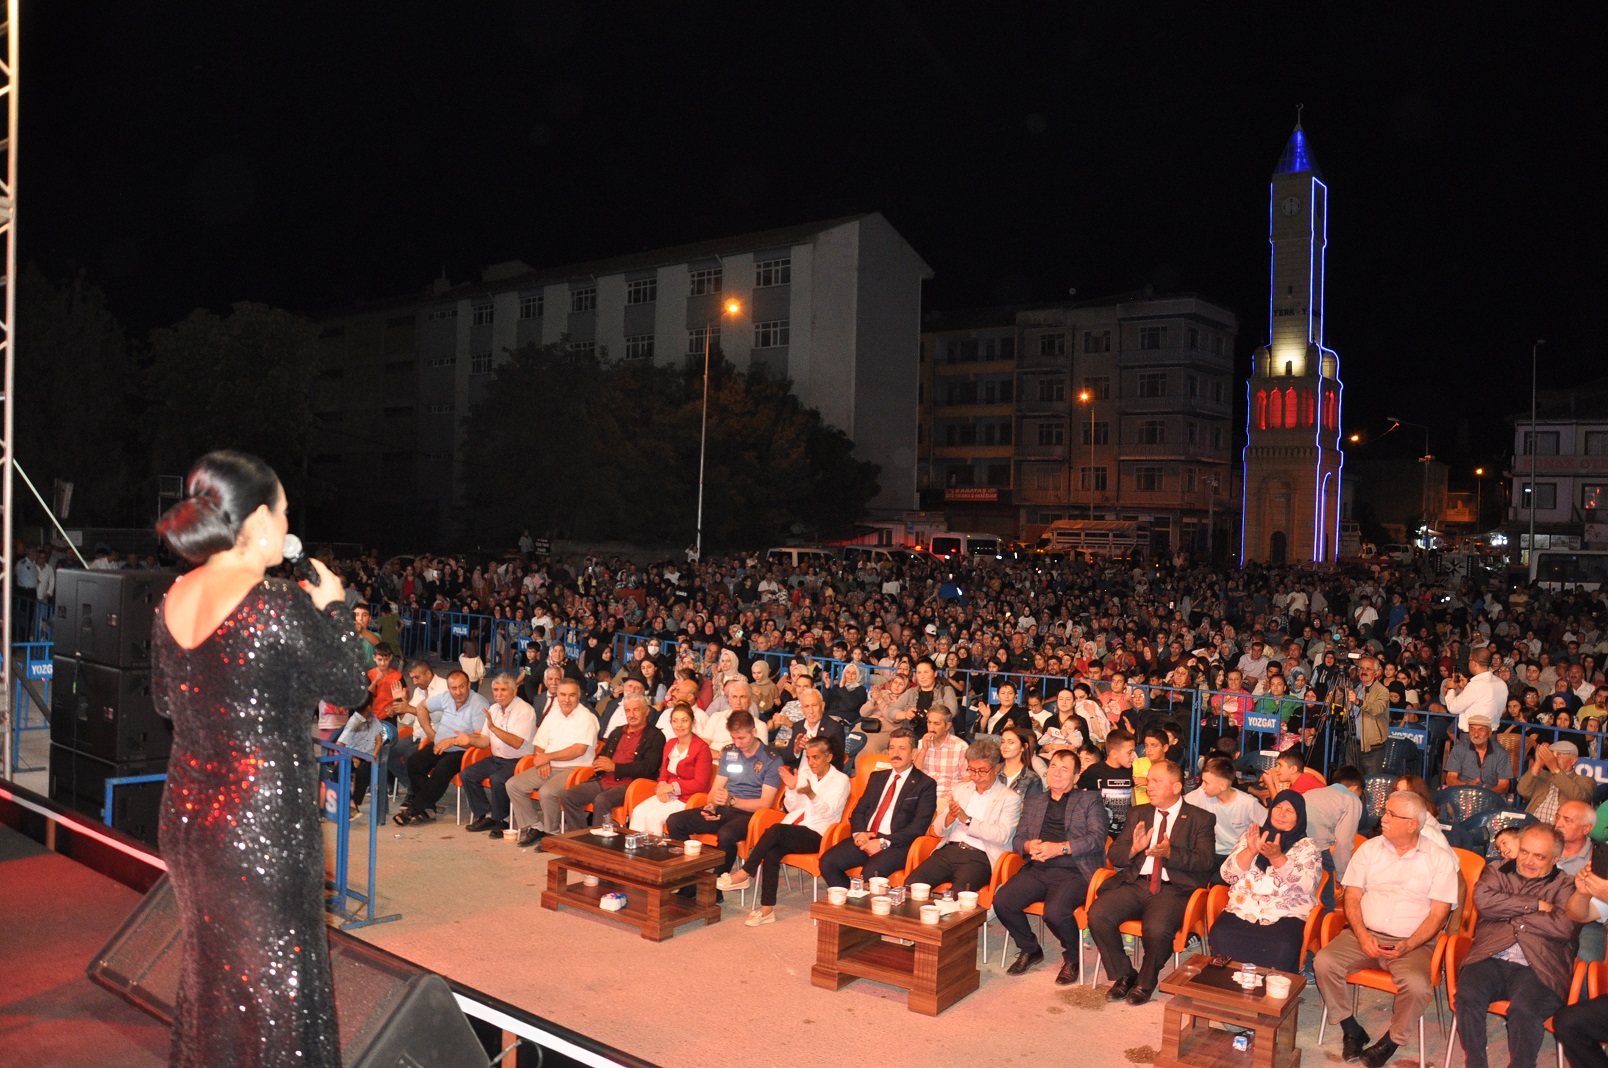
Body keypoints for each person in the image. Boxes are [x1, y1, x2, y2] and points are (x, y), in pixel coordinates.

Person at [152, 450, 368, 1068]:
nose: (288, 522)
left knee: (213, 977)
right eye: (284, 510)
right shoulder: (273, 603)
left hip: (189, 817)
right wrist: (335, 607)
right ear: (257, 521)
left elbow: (168, 702)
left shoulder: (172, 596)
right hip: (260, 825)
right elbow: (352, 682)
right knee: (278, 985)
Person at [1314, 789, 1458, 1068]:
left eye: (1393, 814)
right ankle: (1350, 1027)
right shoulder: (1369, 849)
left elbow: (1439, 915)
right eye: (1385, 811)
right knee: (1324, 962)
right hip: (1364, 933)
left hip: (1413, 941)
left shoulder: (1439, 858)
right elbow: (1352, 896)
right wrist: (1362, 934)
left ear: (1413, 824)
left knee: (1417, 986)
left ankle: (1391, 1040)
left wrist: (1409, 944)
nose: (1384, 818)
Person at [1089, 759, 1217, 1006]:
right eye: (1148, 781)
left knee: (1156, 929)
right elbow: (1114, 855)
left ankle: (1146, 981)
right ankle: (1125, 974)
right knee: (1098, 914)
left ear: (1177, 786)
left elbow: (1205, 862)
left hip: (1174, 889)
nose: (1150, 787)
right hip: (1136, 883)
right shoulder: (1139, 812)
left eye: (1157, 781)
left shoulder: (1200, 819)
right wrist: (1134, 847)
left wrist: (1170, 853)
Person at [1454, 824, 1580, 1068]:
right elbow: (1484, 902)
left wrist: (1511, 914)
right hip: (1490, 956)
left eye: (1539, 856)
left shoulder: (1567, 885)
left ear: (1555, 859)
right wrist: (1536, 906)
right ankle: (1476, 1062)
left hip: (1540, 966)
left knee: (1525, 1011)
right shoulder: (1497, 870)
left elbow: (1565, 927)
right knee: (1467, 997)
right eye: (1524, 852)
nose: (1528, 861)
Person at [996, 750, 1110, 984]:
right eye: (1054, 766)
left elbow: (1097, 838)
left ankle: (1073, 958)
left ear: (1076, 776)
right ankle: (1030, 948)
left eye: (1065, 768)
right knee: (1003, 901)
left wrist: (1061, 848)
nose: (1057, 773)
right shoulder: (1035, 801)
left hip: (1075, 871)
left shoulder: (1090, 800)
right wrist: (1028, 845)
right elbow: (1018, 839)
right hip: (1038, 868)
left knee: (1055, 913)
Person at [720, 737, 850, 925]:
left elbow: (828, 811)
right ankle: (767, 909)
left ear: (828, 757)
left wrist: (811, 794)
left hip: (819, 834)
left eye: (816, 758)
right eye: (809, 757)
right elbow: (792, 806)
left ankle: (746, 871)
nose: (811, 762)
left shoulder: (841, 780)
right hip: (796, 828)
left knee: (776, 830)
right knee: (772, 853)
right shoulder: (807, 774)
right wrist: (791, 789)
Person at [664, 710, 783, 890]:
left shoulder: (771, 759)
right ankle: (691, 878)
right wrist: (711, 806)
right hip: (725, 807)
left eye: (741, 738)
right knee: (675, 821)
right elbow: (716, 788)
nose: (737, 743)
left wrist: (731, 801)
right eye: (733, 738)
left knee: (726, 834)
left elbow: (764, 803)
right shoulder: (729, 752)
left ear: (754, 732)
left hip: (751, 815)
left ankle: (714, 886)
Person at [1211, 790, 1322, 972]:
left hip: (1285, 913)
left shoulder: (1307, 846)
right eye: (1278, 807)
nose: (1281, 813)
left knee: (1282, 944)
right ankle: (1229, 991)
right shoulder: (1253, 836)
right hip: (1243, 908)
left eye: (1289, 810)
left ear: (1299, 818)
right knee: (1221, 932)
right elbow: (1228, 876)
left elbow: (1307, 886)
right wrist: (1250, 851)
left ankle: (1270, 996)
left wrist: (1278, 858)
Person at [903, 737, 1023, 893]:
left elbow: (1002, 835)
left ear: (996, 768)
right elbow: (938, 831)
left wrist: (967, 820)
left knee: (958, 896)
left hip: (980, 857)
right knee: (911, 886)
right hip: (949, 850)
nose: (976, 776)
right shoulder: (961, 789)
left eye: (982, 770)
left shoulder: (1009, 798)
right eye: (972, 770)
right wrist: (949, 818)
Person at [820, 727, 937, 887]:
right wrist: (859, 833)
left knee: (871, 873)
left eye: (902, 748)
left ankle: (863, 906)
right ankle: (849, 901)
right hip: (868, 836)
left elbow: (918, 827)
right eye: (892, 748)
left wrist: (883, 842)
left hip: (897, 844)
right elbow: (859, 810)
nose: (895, 753)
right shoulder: (877, 778)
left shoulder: (925, 784)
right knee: (828, 862)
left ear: (914, 753)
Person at [506, 678, 600, 844]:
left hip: (575, 769)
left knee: (547, 792)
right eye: (562, 694)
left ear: (578, 697)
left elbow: (578, 750)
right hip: (549, 765)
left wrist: (547, 758)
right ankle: (536, 826)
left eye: (571, 695)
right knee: (513, 784)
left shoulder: (587, 718)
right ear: (556, 696)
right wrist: (543, 761)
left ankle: (552, 833)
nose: (566, 699)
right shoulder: (552, 715)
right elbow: (539, 744)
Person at [393, 670, 489, 825]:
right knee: (413, 761)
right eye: (454, 688)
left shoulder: (478, 703)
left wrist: (452, 741)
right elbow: (421, 707)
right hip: (439, 744)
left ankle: (413, 809)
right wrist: (430, 732)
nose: (458, 692)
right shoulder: (446, 698)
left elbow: (480, 738)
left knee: (442, 768)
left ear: (469, 685)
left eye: (462, 687)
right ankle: (428, 807)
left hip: (464, 751)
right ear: (449, 688)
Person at [559, 691, 666, 831]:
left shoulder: (656, 736)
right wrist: (600, 762)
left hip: (631, 784)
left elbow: (648, 768)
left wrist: (615, 767)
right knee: (568, 796)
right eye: (628, 710)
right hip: (604, 779)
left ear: (646, 711)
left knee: (602, 800)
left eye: (636, 709)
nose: (631, 714)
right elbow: (603, 755)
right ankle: (580, 837)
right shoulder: (617, 732)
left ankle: (598, 844)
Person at [461, 673, 537, 835]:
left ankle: (502, 820)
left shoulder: (525, 710)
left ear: (514, 691)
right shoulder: (493, 709)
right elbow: (483, 740)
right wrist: (468, 739)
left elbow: (517, 743)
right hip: (497, 758)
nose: (498, 694)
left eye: (503, 690)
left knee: (498, 779)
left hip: (520, 761)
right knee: (468, 774)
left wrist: (494, 728)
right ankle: (486, 814)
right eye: (495, 690)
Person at [629, 703, 712, 835]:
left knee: (653, 816)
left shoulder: (702, 748)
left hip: (689, 798)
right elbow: (664, 773)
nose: (679, 725)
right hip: (669, 794)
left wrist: (672, 787)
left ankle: (654, 854)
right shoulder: (670, 744)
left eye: (684, 720)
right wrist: (662, 789)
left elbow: (700, 783)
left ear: (692, 722)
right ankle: (634, 852)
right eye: (675, 721)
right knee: (638, 811)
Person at [1184, 756, 1267, 885]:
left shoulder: (1248, 803)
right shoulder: (1202, 794)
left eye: (1206, 783)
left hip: (1236, 855)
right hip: (1210, 852)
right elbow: (1182, 804)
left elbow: (1268, 825)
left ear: (1222, 785)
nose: (1202, 786)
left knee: (1217, 881)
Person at [1305, 765, 1365, 908]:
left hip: (1294, 849)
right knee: (1325, 904)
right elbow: (1344, 843)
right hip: (1317, 850)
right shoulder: (1352, 799)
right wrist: (1340, 877)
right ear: (1354, 788)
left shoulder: (1312, 793)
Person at [1079, 728, 1137, 837]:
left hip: (1124, 831)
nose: (1133, 756)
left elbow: (1131, 795)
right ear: (1114, 753)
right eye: (1130, 752)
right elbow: (1078, 787)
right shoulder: (1095, 770)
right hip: (1100, 831)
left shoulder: (1129, 769)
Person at [1520, 741, 1596, 822]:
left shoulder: (1586, 780)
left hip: (1561, 831)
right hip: (1533, 827)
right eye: (1550, 754)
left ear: (1573, 760)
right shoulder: (1543, 775)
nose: (1553, 758)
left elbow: (1580, 797)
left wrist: (1555, 769)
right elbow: (1522, 790)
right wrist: (1538, 763)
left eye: (1558, 754)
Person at [1442, 714, 1514, 794]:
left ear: (1490, 732)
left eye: (1481, 730)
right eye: (1472, 730)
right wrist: (1468, 786)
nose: (1476, 734)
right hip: (1463, 793)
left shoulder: (1500, 753)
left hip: (1491, 795)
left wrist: (1484, 793)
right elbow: (1450, 779)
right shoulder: (1459, 749)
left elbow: (1504, 785)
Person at [914, 706, 969, 808]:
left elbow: (967, 779)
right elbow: (914, 775)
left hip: (947, 799)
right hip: (923, 796)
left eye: (936, 724)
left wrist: (954, 798)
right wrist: (923, 751)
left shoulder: (961, 746)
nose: (931, 728)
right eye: (929, 722)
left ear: (947, 726)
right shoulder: (922, 744)